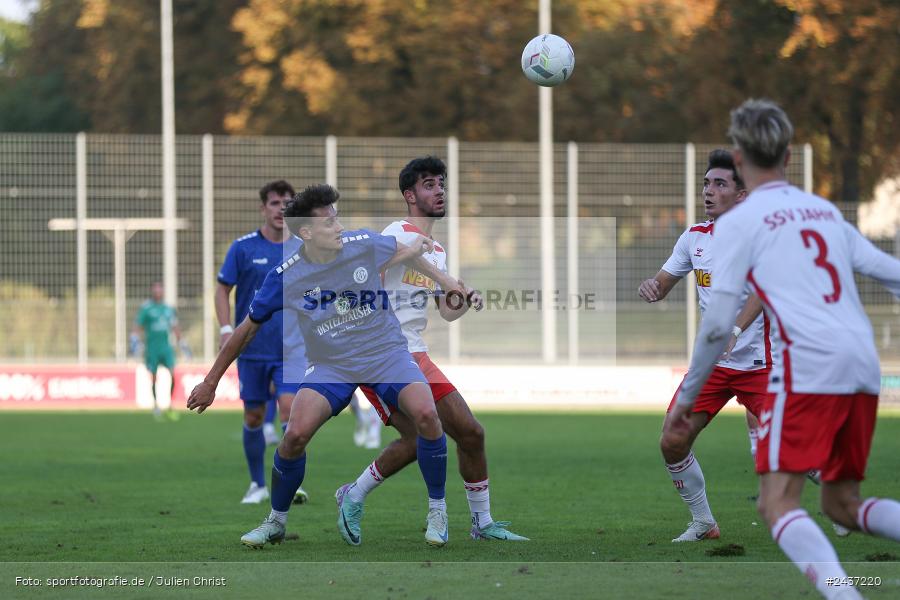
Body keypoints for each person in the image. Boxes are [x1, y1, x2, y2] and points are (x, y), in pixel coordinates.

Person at [666, 99, 900, 599]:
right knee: (842, 504)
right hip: (862, 364)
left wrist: (685, 401)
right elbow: (892, 274)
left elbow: (716, 327)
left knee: (777, 503)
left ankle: (845, 593)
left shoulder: (740, 226)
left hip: (809, 366)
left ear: (739, 155)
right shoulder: (822, 211)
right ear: (788, 156)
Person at [189, 184, 463, 548]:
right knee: (295, 435)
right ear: (306, 232)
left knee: (428, 416)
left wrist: (443, 278)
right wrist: (210, 382)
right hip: (331, 365)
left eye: (337, 219)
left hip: (386, 354)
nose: (339, 227)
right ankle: (276, 521)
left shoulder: (361, 242)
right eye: (330, 222)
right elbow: (246, 330)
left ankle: (437, 511)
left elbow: (403, 250)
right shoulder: (285, 276)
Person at [336, 156, 528, 545]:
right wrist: (428, 269)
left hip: (417, 354)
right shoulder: (395, 232)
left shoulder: (437, 251)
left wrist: (461, 297)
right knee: (424, 436)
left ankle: (482, 523)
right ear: (410, 195)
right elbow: (360, 277)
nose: (439, 190)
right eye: (428, 184)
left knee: (470, 433)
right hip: (380, 353)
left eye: (441, 183)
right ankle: (359, 497)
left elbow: (445, 311)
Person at [640, 150, 772, 542]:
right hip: (712, 365)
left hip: (764, 365)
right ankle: (703, 522)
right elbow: (663, 282)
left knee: (795, 452)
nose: (708, 191)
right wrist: (653, 287)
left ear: (742, 195)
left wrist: (734, 328)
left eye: (719, 184)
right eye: (706, 183)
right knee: (672, 440)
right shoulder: (694, 237)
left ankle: (845, 506)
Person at [216, 180, 308, 505]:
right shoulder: (243, 248)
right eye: (274, 203)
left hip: (291, 349)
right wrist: (227, 328)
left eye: (287, 202)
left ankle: (288, 480)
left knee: (290, 411)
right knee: (254, 416)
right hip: (252, 348)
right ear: (263, 208)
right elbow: (222, 289)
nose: (281, 208)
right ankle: (257, 484)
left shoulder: (303, 249)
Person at [131, 281, 184, 421]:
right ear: (152, 291)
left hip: (166, 348)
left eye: (159, 289)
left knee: (173, 374)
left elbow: (175, 327)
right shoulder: (146, 308)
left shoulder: (168, 309)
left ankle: (170, 404)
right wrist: (135, 340)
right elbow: (137, 326)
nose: (157, 292)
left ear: (163, 292)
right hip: (152, 349)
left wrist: (182, 343)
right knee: (153, 377)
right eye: (155, 289)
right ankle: (156, 406)